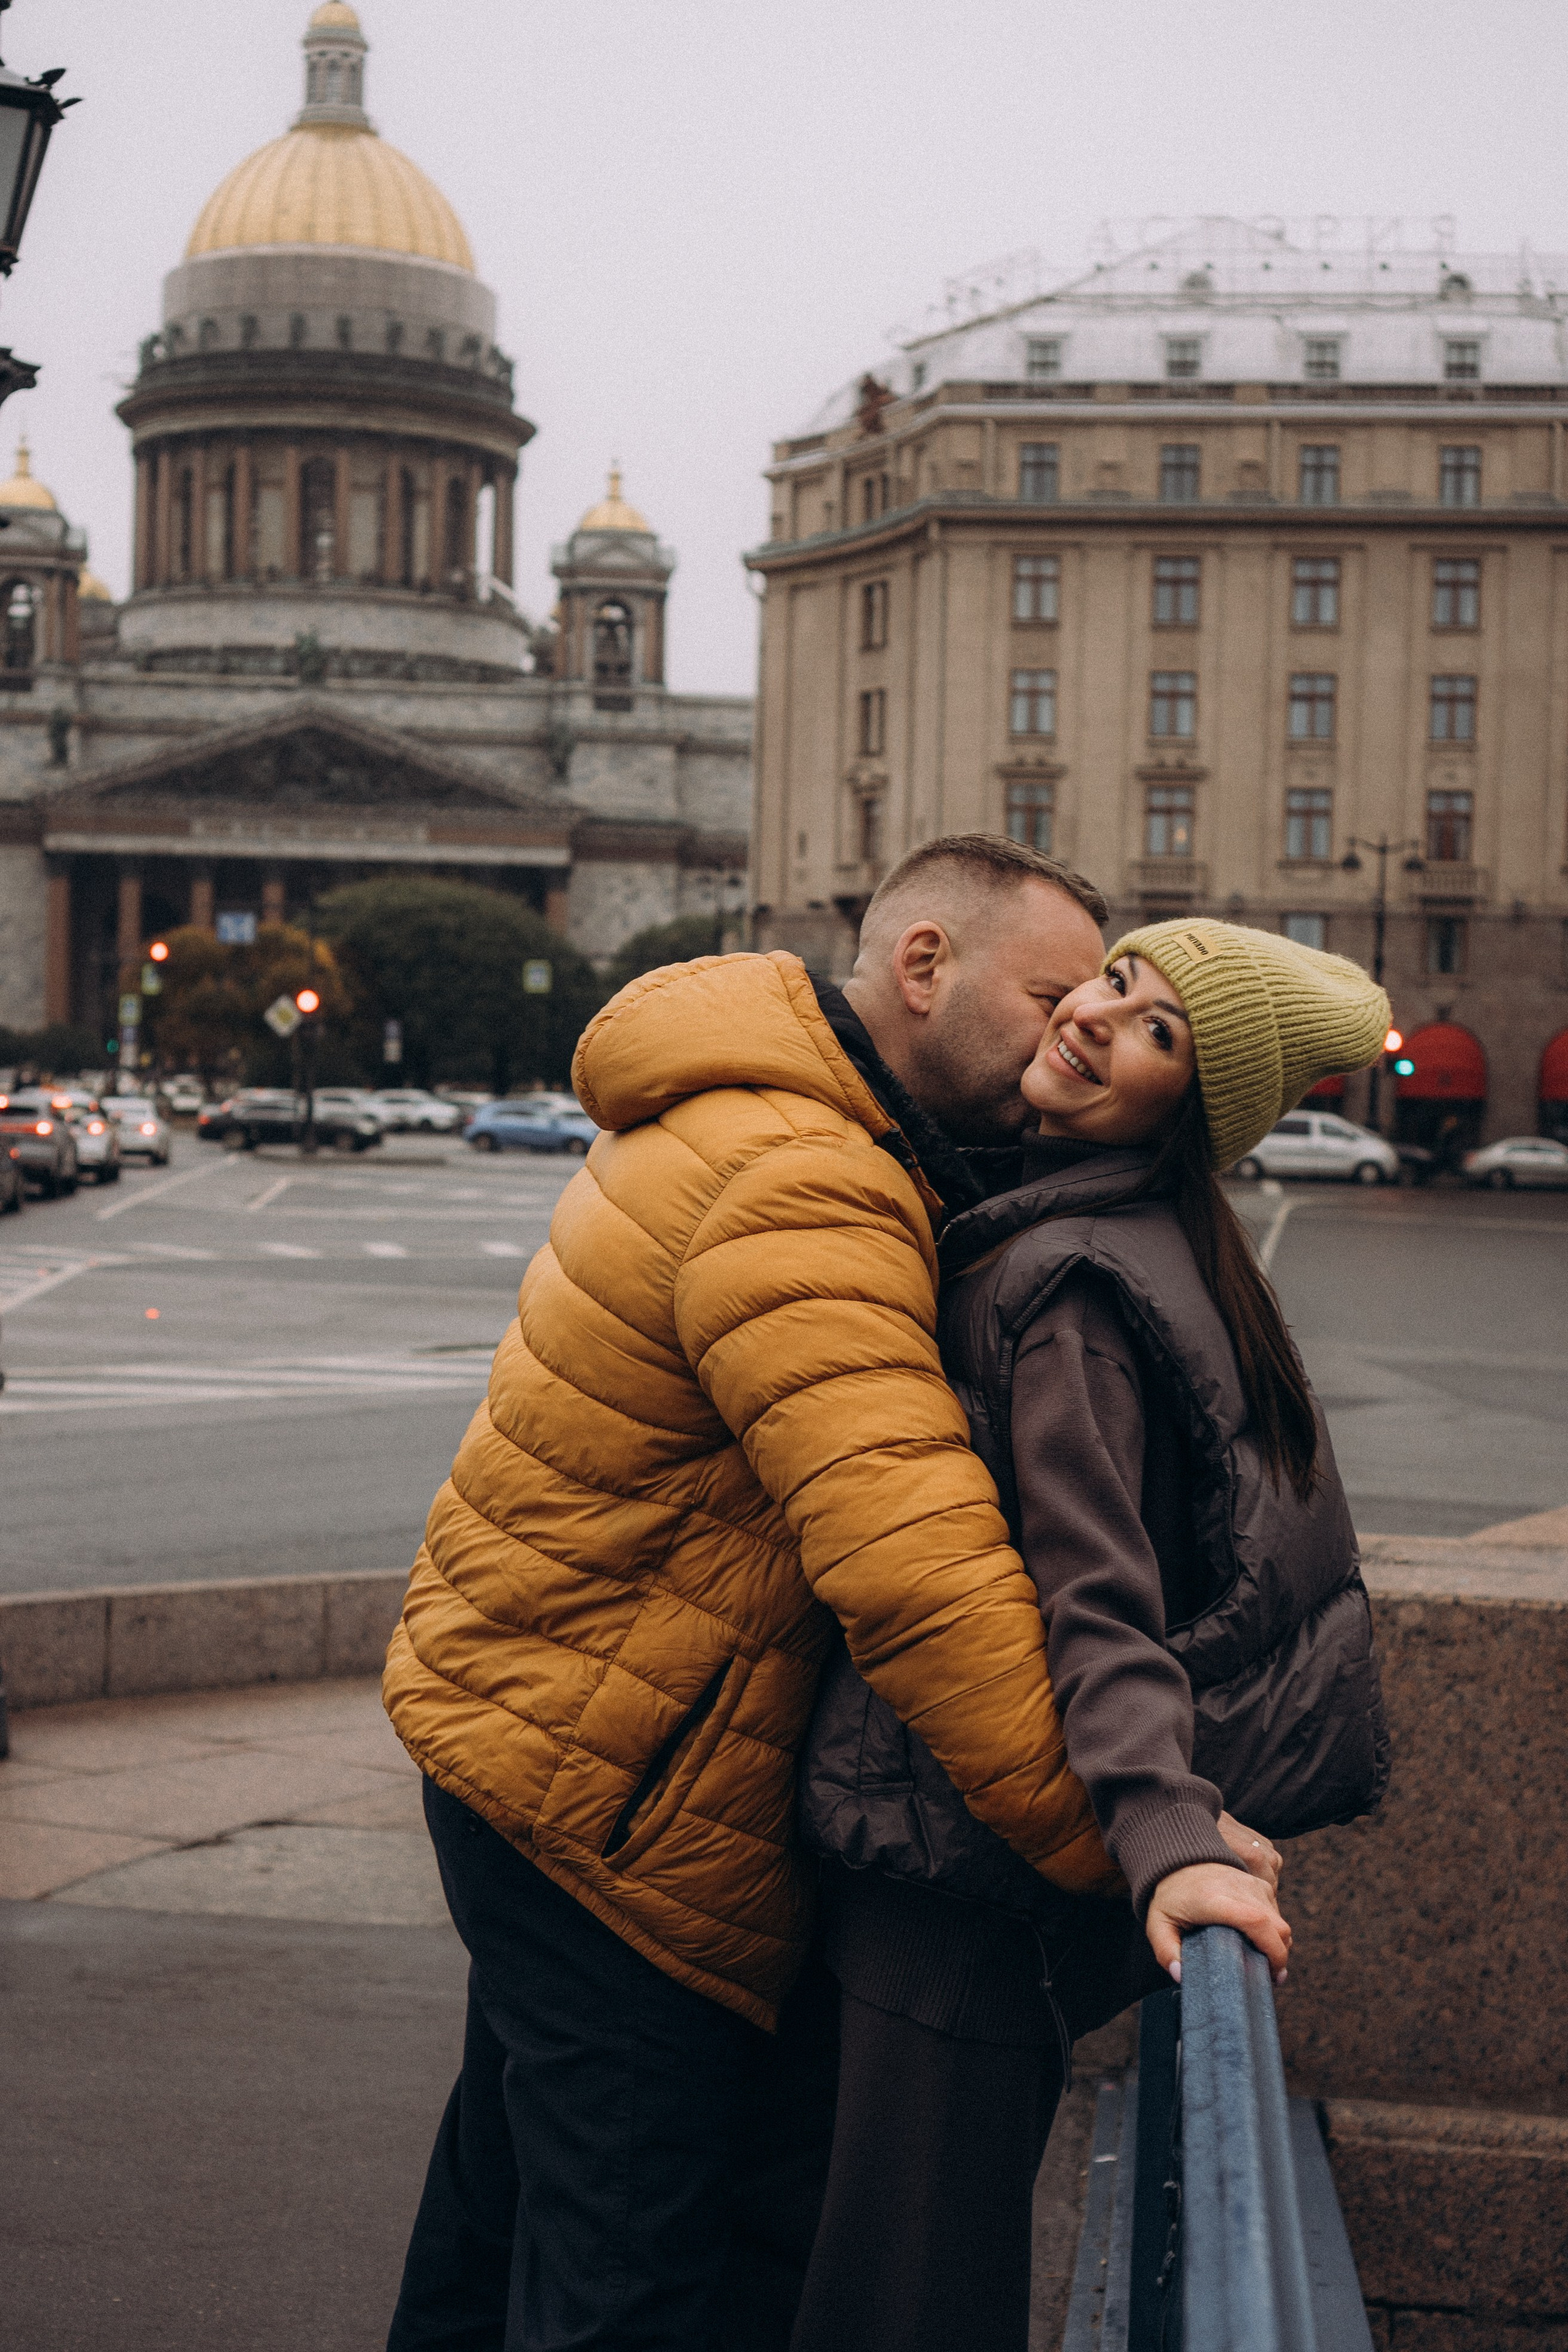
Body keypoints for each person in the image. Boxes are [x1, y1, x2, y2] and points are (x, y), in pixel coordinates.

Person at [382, 835, 1128, 2352]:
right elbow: (912, 1565)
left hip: (542, 1745)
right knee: (626, 2280)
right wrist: (1109, 1836)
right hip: (619, 1804)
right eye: (1049, 994)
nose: (1070, 1032)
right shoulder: (807, 1179)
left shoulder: (767, 1111)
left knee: (506, 2215)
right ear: (923, 967)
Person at [793, 918, 1393, 2352]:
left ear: (1187, 1108)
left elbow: (1096, 1601)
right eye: (1120, 979)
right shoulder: (1149, 1244)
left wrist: (1163, 1830)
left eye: (1157, 1033)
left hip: (947, 1882)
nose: (1098, 1015)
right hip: (992, 1878)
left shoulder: (1062, 1283)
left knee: (896, 2298)